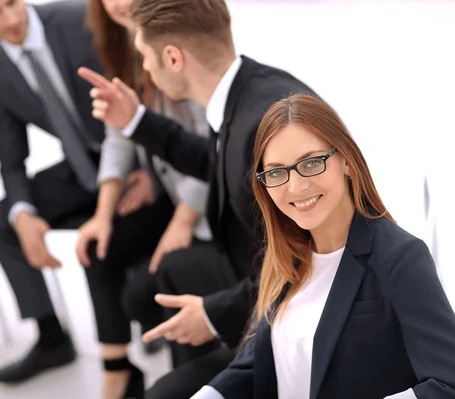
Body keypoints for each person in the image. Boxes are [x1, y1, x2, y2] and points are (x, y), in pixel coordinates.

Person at [78, 0, 316, 396]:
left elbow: (307, 265)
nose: (145, 70)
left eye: (145, 57)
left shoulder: (265, 126)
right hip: (258, 270)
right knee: (175, 268)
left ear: (172, 57)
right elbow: (214, 161)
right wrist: (136, 121)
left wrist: (213, 313)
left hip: (299, 316)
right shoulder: (244, 91)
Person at [192, 93, 455, 399]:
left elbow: (447, 381)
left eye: (312, 163)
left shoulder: (399, 257)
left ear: (346, 160)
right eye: (277, 172)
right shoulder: (282, 259)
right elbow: (261, 361)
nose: (297, 186)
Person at [77, 0, 228, 397]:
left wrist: (181, 224)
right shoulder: (121, 46)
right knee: (97, 246)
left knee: (147, 290)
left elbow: (210, 150)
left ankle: (190, 378)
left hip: (200, 202)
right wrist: (102, 212)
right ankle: (117, 370)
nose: (120, 4)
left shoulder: (179, 40)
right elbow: (117, 133)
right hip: (167, 190)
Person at [0, 0, 104, 383]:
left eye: (11, 3)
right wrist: (23, 213)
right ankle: (52, 339)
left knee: (107, 236)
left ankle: (145, 311)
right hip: (81, 167)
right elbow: (10, 158)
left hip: (133, 156)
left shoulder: (78, 19)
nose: (11, 19)